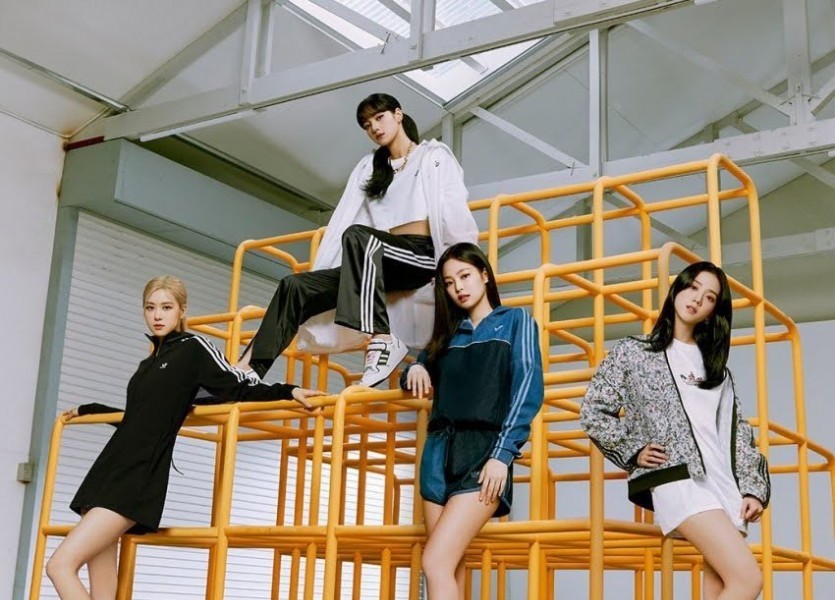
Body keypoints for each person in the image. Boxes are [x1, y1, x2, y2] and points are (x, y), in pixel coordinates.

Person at [46, 276, 323, 600]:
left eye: (166, 307)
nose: (157, 315)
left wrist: (288, 391)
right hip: (106, 473)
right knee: (103, 591)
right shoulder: (148, 363)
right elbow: (140, 419)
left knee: (59, 566)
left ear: (182, 310)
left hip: (135, 478)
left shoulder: (193, 349)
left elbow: (237, 384)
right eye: (150, 307)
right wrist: (92, 409)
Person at [237, 93, 478, 388]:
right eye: (366, 124)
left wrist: (460, 264)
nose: (374, 127)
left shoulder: (432, 157)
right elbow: (347, 219)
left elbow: (453, 211)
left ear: (398, 115)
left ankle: (382, 337)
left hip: (421, 256)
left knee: (360, 238)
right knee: (295, 286)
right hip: (374, 258)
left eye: (379, 117)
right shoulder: (371, 168)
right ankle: (248, 369)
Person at [580, 262, 770, 600]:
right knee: (747, 581)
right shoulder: (634, 352)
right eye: (693, 287)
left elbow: (738, 434)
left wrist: (752, 488)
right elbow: (593, 410)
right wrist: (633, 449)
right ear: (677, 289)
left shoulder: (717, 371)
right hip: (678, 478)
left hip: (722, 483)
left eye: (709, 297)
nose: (697, 299)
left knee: (721, 588)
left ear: (712, 313)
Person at [400, 243, 543, 600]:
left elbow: (527, 388)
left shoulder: (516, 321)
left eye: (464, 276)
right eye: (449, 283)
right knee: (448, 568)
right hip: (437, 455)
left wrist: (502, 455)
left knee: (435, 562)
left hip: (483, 454)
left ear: (484, 274)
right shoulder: (447, 335)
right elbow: (415, 371)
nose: (458, 287)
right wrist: (414, 368)